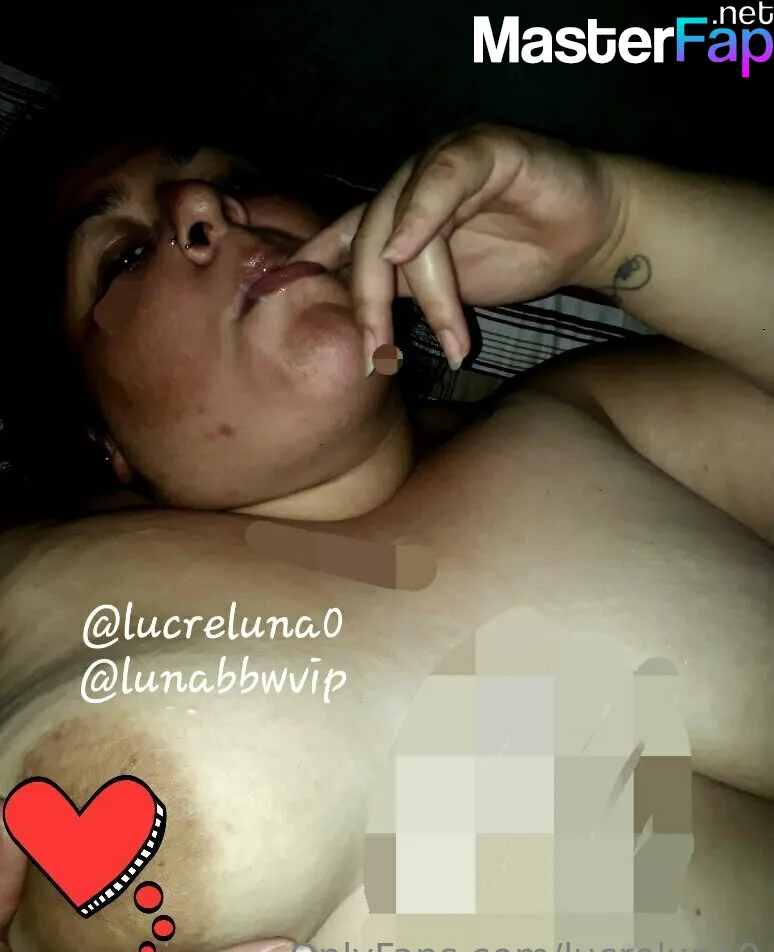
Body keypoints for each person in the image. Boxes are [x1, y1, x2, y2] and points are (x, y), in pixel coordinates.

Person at [0, 108, 773, 951]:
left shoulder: (599, 417)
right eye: (124, 257)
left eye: (235, 182)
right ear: (99, 437)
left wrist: (618, 223)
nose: (203, 205)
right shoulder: (28, 579)